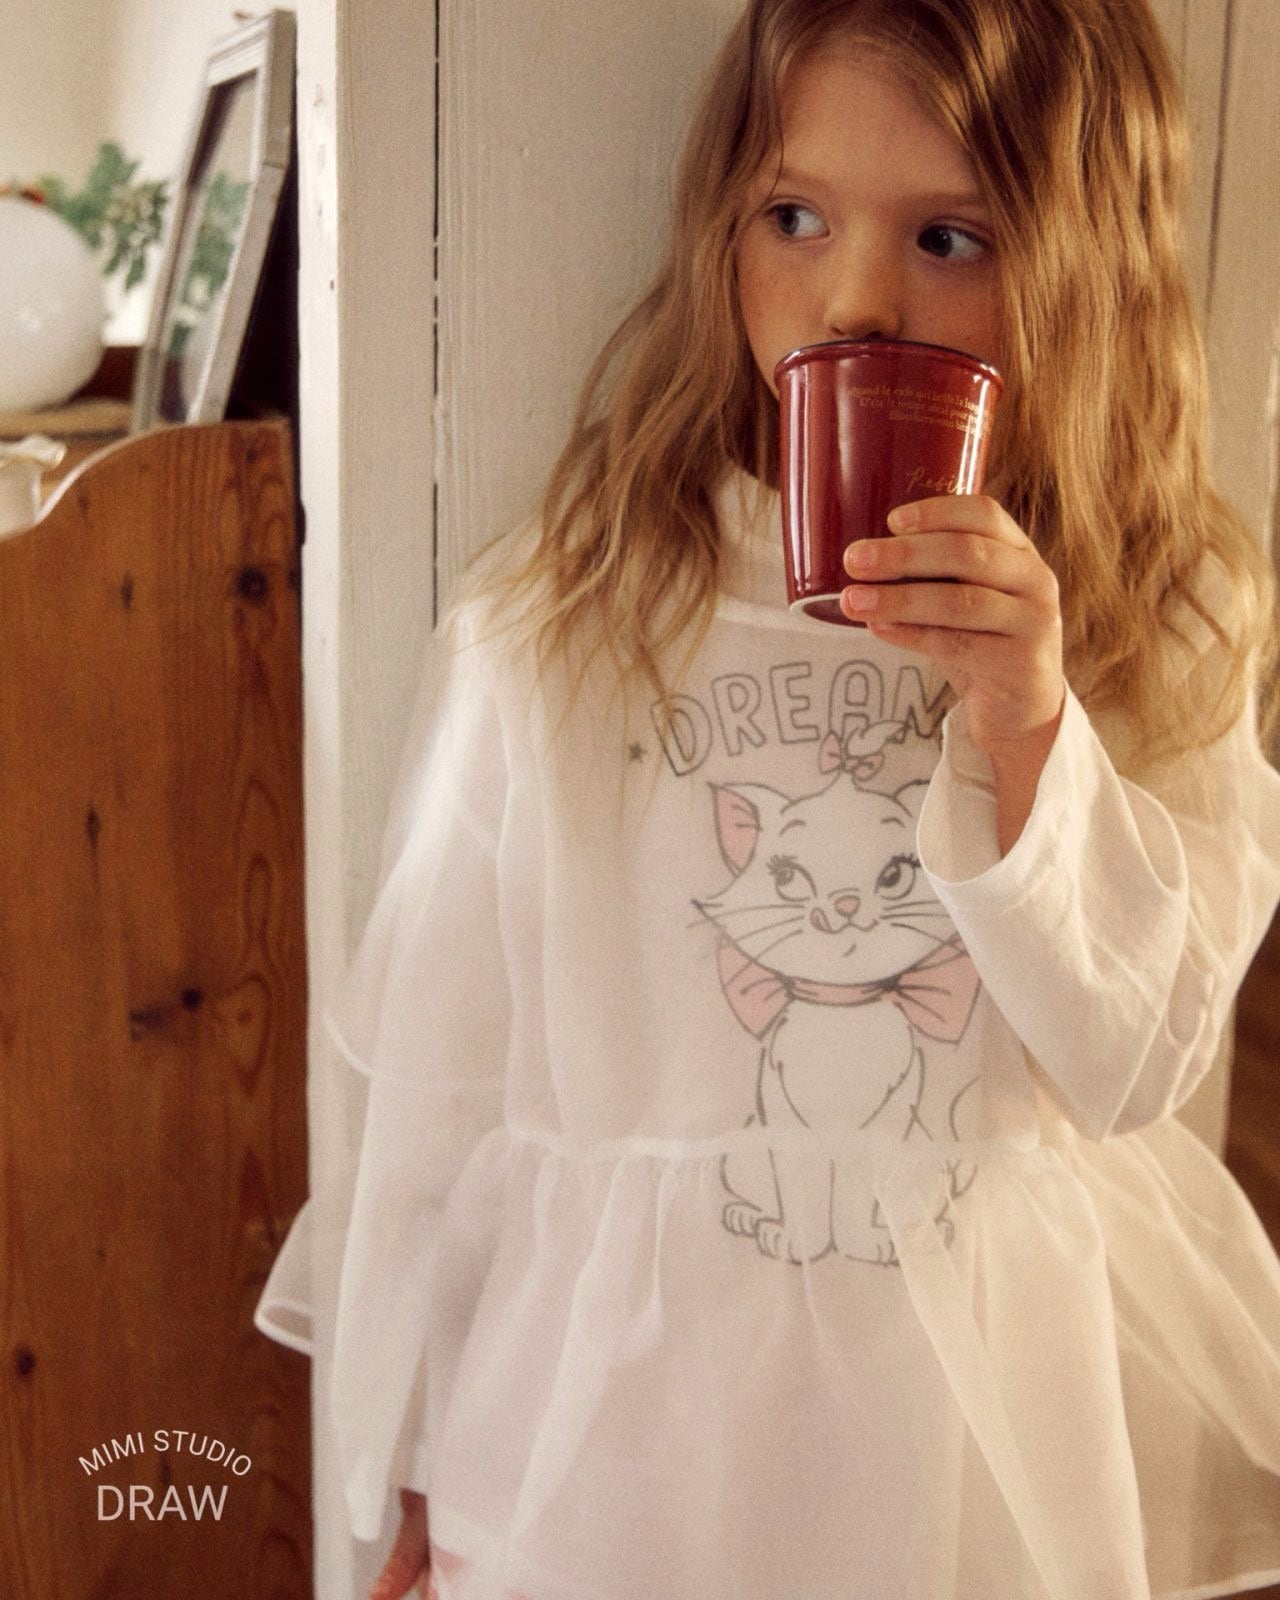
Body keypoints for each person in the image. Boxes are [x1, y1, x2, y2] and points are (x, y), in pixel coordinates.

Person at [255, 1, 1280, 1596]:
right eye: (794, 216)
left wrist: (1030, 724)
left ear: (1084, 265)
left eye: (949, 236)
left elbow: (1138, 1058)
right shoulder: (574, 609)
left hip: (971, 1440)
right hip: (622, 1433)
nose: (856, 296)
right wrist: (409, 1462)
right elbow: (445, 1081)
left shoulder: (1156, 616)